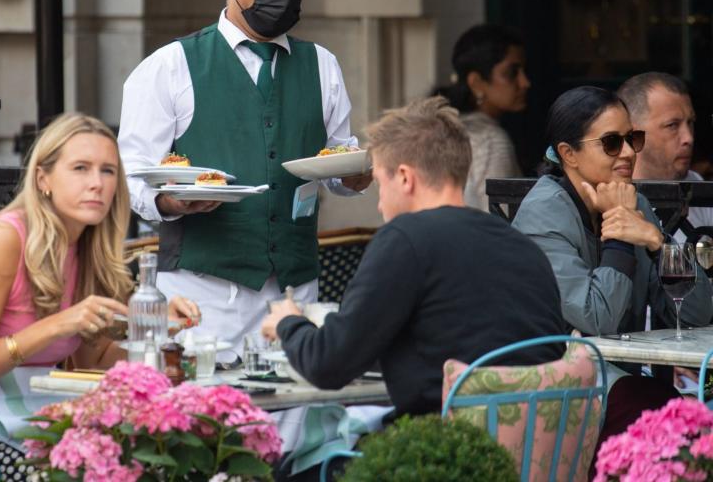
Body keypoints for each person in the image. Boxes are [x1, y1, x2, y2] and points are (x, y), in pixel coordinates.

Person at [117, 0, 371, 357]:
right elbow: (131, 175)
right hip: (202, 294)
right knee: (209, 418)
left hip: (295, 293)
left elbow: (334, 160)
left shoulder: (323, 66)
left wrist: (350, 176)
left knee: (294, 416)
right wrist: (169, 202)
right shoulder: (171, 66)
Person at [260, 96, 566, 419]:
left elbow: (328, 365)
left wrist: (288, 323)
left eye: (379, 182)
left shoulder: (405, 238)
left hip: (442, 457)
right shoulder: (522, 245)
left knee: (291, 466)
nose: (379, 205)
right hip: (539, 454)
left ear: (405, 177)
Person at [0, 114, 200, 479]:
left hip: (44, 416)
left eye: (108, 171)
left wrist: (156, 330)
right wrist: (58, 325)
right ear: (43, 178)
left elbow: (96, 357)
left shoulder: (87, 249)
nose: (96, 183)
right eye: (80, 168)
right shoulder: (4, 241)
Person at [510, 86, 713, 459]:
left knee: (684, 414)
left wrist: (657, 243)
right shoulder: (544, 213)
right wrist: (619, 234)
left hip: (617, 378)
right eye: (610, 142)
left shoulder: (632, 203)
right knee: (664, 413)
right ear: (569, 154)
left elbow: (699, 314)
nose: (628, 153)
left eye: (632, 139)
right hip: (556, 383)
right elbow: (597, 316)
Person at [439, 24, 530, 211]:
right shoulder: (490, 141)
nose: (525, 82)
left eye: (523, 71)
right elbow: (499, 220)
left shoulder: (445, 128)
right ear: (477, 83)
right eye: (512, 73)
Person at [617, 72, 713, 240]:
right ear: (633, 133)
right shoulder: (609, 194)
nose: (688, 138)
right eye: (672, 125)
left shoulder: (696, 184)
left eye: (690, 123)